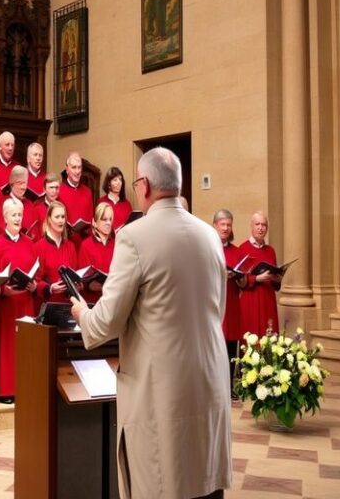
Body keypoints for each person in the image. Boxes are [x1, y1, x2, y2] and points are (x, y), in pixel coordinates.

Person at [70, 147, 231, 499]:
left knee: (163, 483)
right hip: (209, 383)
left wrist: (82, 313)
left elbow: (105, 323)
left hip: (162, 391)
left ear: (143, 186)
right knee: (204, 484)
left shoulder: (134, 237)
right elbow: (217, 311)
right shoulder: (209, 236)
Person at [0, 198, 37, 403]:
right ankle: (5, 390)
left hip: (26, 302)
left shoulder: (29, 243)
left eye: (20, 214)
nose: (18, 218)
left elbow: (38, 271)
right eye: (14, 215)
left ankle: (25, 388)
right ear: (5, 218)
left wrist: (34, 286)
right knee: (7, 347)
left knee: (26, 347)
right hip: (7, 304)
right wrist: (2, 289)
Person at [213, 209, 246, 397]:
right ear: (215, 226)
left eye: (228, 224)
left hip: (232, 301)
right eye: (222, 224)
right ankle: (217, 387)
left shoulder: (236, 251)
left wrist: (239, 278)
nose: (226, 228)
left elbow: (243, 281)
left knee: (232, 345)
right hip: (215, 302)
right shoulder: (209, 247)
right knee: (217, 345)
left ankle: (231, 386)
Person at [238, 212, 281, 337]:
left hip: (268, 299)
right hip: (251, 300)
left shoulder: (270, 251)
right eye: (257, 224)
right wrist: (257, 278)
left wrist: (277, 278)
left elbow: (275, 279)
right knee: (251, 338)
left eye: (264, 225)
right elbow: (239, 279)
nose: (260, 228)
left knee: (269, 337)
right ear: (251, 227)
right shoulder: (243, 249)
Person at [34, 201, 77, 303]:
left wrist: (76, 284)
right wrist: (50, 288)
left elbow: (75, 273)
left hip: (68, 304)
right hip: (48, 304)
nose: (61, 220)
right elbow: (35, 281)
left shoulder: (70, 246)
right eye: (57, 217)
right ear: (49, 219)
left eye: (63, 217)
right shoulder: (39, 246)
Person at [78, 202, 116, 305]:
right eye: (104, 219)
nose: (108, 223)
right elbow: (85, 282)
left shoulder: (117, 244)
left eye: (110, 219)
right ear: (94, 222)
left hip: (113, 302)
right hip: (92, 303)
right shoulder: (86, 245)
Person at [58, 152, 94, 242]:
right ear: (67, 169)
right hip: (66, 242)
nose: (77, 171)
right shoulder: (59, 190)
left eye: (79, 167)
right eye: (74, 167)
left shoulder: (87, 191)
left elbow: (91, 218)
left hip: (85, 242)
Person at [99, 166, 133, 231]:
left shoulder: (127, 205)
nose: (119, 182)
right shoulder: (101, 202)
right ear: (109, 183)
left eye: (120, 179)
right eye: (115, 180)